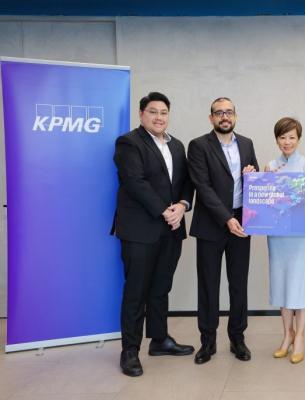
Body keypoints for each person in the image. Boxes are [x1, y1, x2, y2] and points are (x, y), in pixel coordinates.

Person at [112, 92, 195, 377]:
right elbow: (135, 182)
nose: (159, 117)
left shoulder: (177, 145)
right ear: (141, 114)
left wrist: (182, 206)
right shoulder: (128, 143)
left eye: (163, 112)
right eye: (153, 112)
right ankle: (130, 351)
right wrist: (164, 211)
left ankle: (159, 340)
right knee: (136, 290)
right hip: (140, 229)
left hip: (171, 229)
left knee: (161, 287)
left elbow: (187, 182)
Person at [187, 97, 258, 364]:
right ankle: (208, 341)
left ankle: (237, 338)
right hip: (211, 225)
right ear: (211, 118)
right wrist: (226, 218)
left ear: (235, 116)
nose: (224, 117)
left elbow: (256, 182)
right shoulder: (198, 145)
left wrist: (252, 174)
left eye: (228, 112)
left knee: (238, 284)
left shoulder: (247, 144)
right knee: (208, 285)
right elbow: (202, 187)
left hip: (242, 222)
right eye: (219, 113)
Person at [265, 117, 305, 364]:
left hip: (301, 237)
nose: (287, 142)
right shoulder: (270, 166)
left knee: (300, 284)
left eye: (292, 137)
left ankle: (300, 337)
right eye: (283, 137)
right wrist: (266, 181)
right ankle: (287, 335)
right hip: (278, 237)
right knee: (282, 283)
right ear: (277, 139)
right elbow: (264, 204)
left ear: (299, 139)